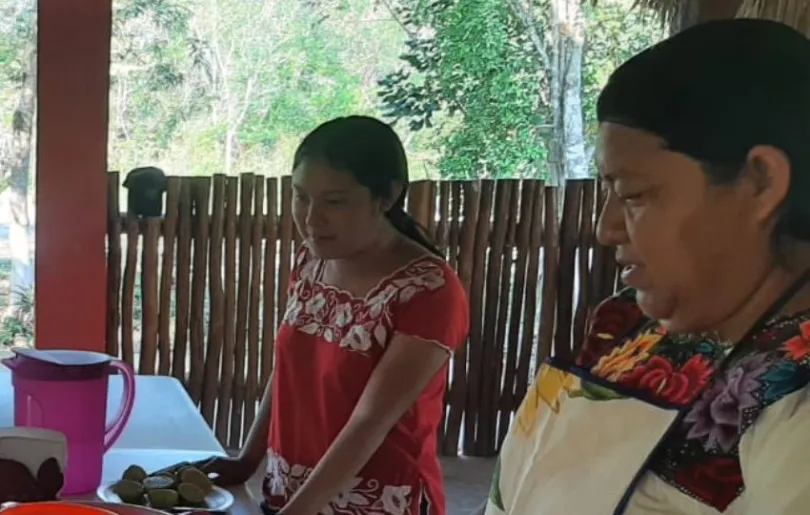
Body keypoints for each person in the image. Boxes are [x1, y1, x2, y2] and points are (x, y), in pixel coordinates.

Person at [481, 19, 810, 515]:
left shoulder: (795, 404)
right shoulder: (630, 325)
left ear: (761, 182)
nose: (606, 228)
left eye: (634, 194)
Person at [189, 116, 469, 515]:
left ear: (386, 197)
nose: (311, 218)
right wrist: (247, 461)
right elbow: (289, 371)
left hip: (377, 505)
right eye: (301, 196)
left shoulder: (429, 291)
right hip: (290, 493)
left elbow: (369, 422)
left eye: (334, 201)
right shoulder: (312, 262)